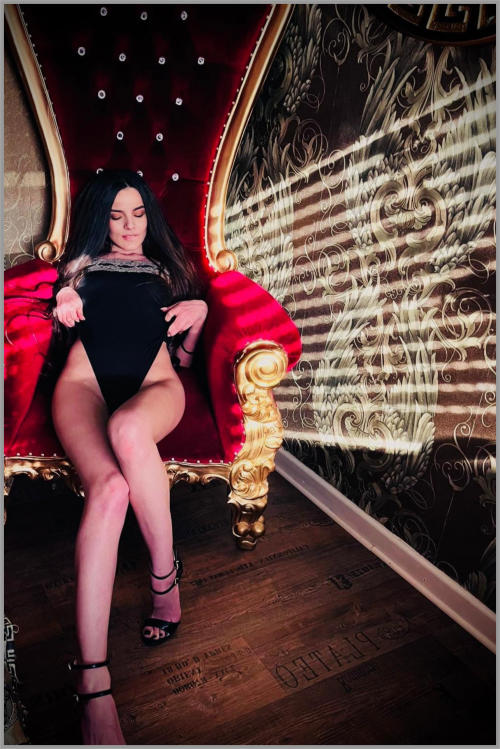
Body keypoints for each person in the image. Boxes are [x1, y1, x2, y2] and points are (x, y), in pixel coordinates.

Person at [46, 169, 207, 745]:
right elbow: (54, 312)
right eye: (115, 216)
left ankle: (165, 580)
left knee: (130, 429)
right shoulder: (78, 267)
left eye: (138, 213)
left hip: (155, 385)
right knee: (111, 488)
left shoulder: (168, 270)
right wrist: (63, 296)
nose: (129, 226)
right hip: (82, 386)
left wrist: (198, 316)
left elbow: (184, 363)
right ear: (100, 220)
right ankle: (93, 686)